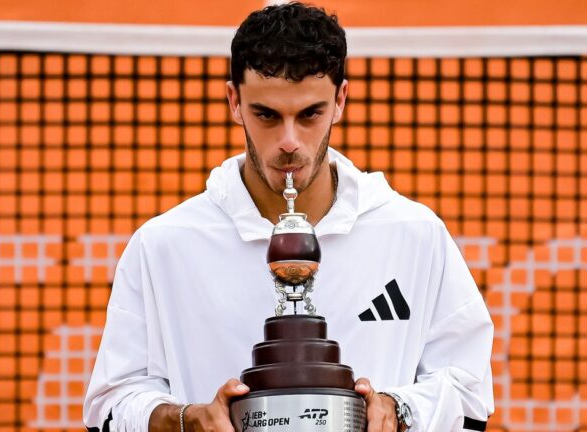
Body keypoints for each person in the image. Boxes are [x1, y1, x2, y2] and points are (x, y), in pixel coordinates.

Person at [83, 2, 494, 431]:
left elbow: (469, 395)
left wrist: (399, 409)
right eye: (267, 115)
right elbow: (109, 407)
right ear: (234, 101)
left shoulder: (416, 234)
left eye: (310, 114)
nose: (289, 142)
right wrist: (186, 421)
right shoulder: (163, 244)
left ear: (340, 100)